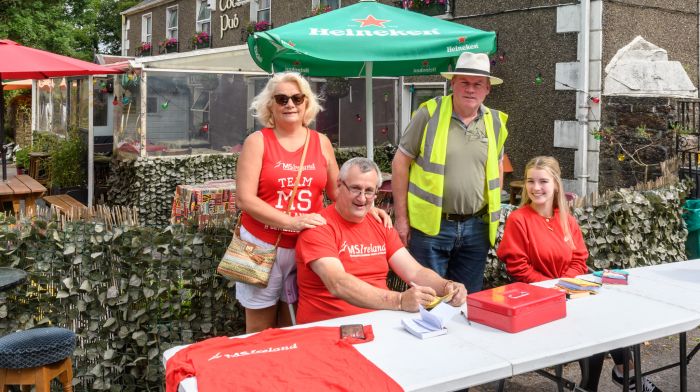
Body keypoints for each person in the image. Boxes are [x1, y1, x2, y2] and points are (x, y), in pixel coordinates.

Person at [236, 72, 390, 333]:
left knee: (293, 324)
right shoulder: (257, 142)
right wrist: (291, 221)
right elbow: (244, 199)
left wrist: (368, 206)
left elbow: (338, 189)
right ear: (270, 104)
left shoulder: (321, 142)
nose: (290, 104)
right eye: (282, 99)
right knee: (259, 330)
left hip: (307, 248)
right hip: (258, 245)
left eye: (297, 98)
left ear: (307, 103)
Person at [497, 156, 661, 392]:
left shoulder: (567, 220)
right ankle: (623, 374)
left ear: (555, 184)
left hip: (569, 294)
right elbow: (519, 269)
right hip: (538, 300)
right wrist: (557, 289)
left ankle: (618, 376)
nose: (536, 188)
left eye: (543, 181)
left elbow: (578, 259)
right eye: (531, 181)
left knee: (608, 316)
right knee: (596, 326)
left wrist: (566, 287)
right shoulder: (518, 219)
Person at [295, 157, 467, 324]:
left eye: (369, 191)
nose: (362, 198)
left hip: (381, 322)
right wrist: (399, 300)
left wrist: (446, 286)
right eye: (355, 189)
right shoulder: (318, 226)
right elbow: (338, 283)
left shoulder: (379, 223)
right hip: (331, 327)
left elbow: (414, 272)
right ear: (339, 185)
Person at [392, 51, 509, 294]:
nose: (470, 89)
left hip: (476, 228)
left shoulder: (495, 122)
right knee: (429, 300)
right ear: (452, 83)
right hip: (431, 229)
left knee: (468, 300)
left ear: (488, 89)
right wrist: (401, 220)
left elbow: (497, 167)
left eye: (478, 84)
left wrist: (493, 216)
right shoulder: (429, 113)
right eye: (464, 82)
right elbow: (400, 163)